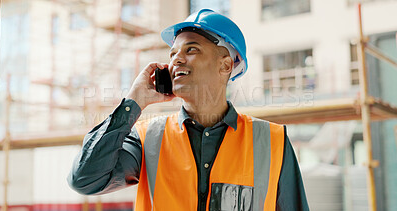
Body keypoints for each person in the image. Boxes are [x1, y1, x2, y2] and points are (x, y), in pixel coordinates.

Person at [68, 9, 309, 211]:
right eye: (172, 53)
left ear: (225, 65)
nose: (176, 60)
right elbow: (84, 180)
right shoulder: (147, 139)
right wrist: (134, 101)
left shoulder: (271, 142)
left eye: (191, 50)